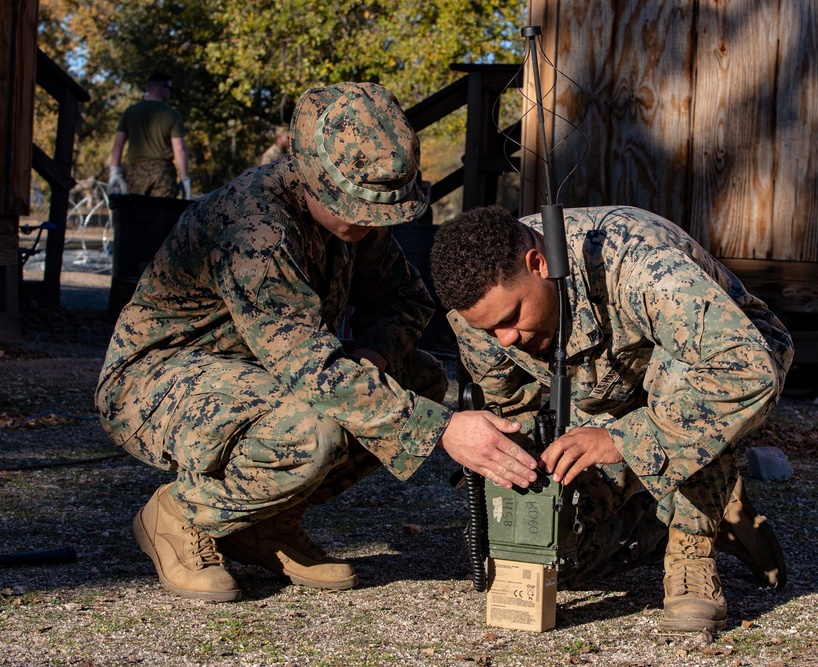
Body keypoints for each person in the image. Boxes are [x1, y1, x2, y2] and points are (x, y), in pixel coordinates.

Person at [95, 83, 539, 603]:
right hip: (158, 379)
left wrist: (372, 357)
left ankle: (262, 522)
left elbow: (406, 300)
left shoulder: (352, 219)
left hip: (267, 377)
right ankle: (179, 515)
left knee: (414, 377)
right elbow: (315, 374)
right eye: (353, 207)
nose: (369, 223)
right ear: (312, 177)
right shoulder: (254, 227)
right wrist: (442, 429)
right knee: (313, 431)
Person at [429, 204, 795, 633]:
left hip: (720, 361)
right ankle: (717, 517)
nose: (505, 338)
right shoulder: (478, 308)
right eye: (490, 330)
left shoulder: (640, 264)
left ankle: (693, 547)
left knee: (678, 375)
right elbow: (513, 406)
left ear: (539, 264)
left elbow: (745, 369)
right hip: (607, 397)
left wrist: (621, 440)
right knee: (554, 554)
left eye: (511, 319)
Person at [108, 70, 191, 199]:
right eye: (169, 88)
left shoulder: (130, 112)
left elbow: (117, 145)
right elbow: (179, 150)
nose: (170, 93)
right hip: (163, 174)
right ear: (161, 87)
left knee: (136, 215)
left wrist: (115, 172)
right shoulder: (171, 114)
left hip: (136, 173)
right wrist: (185, 177)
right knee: (162, 216)